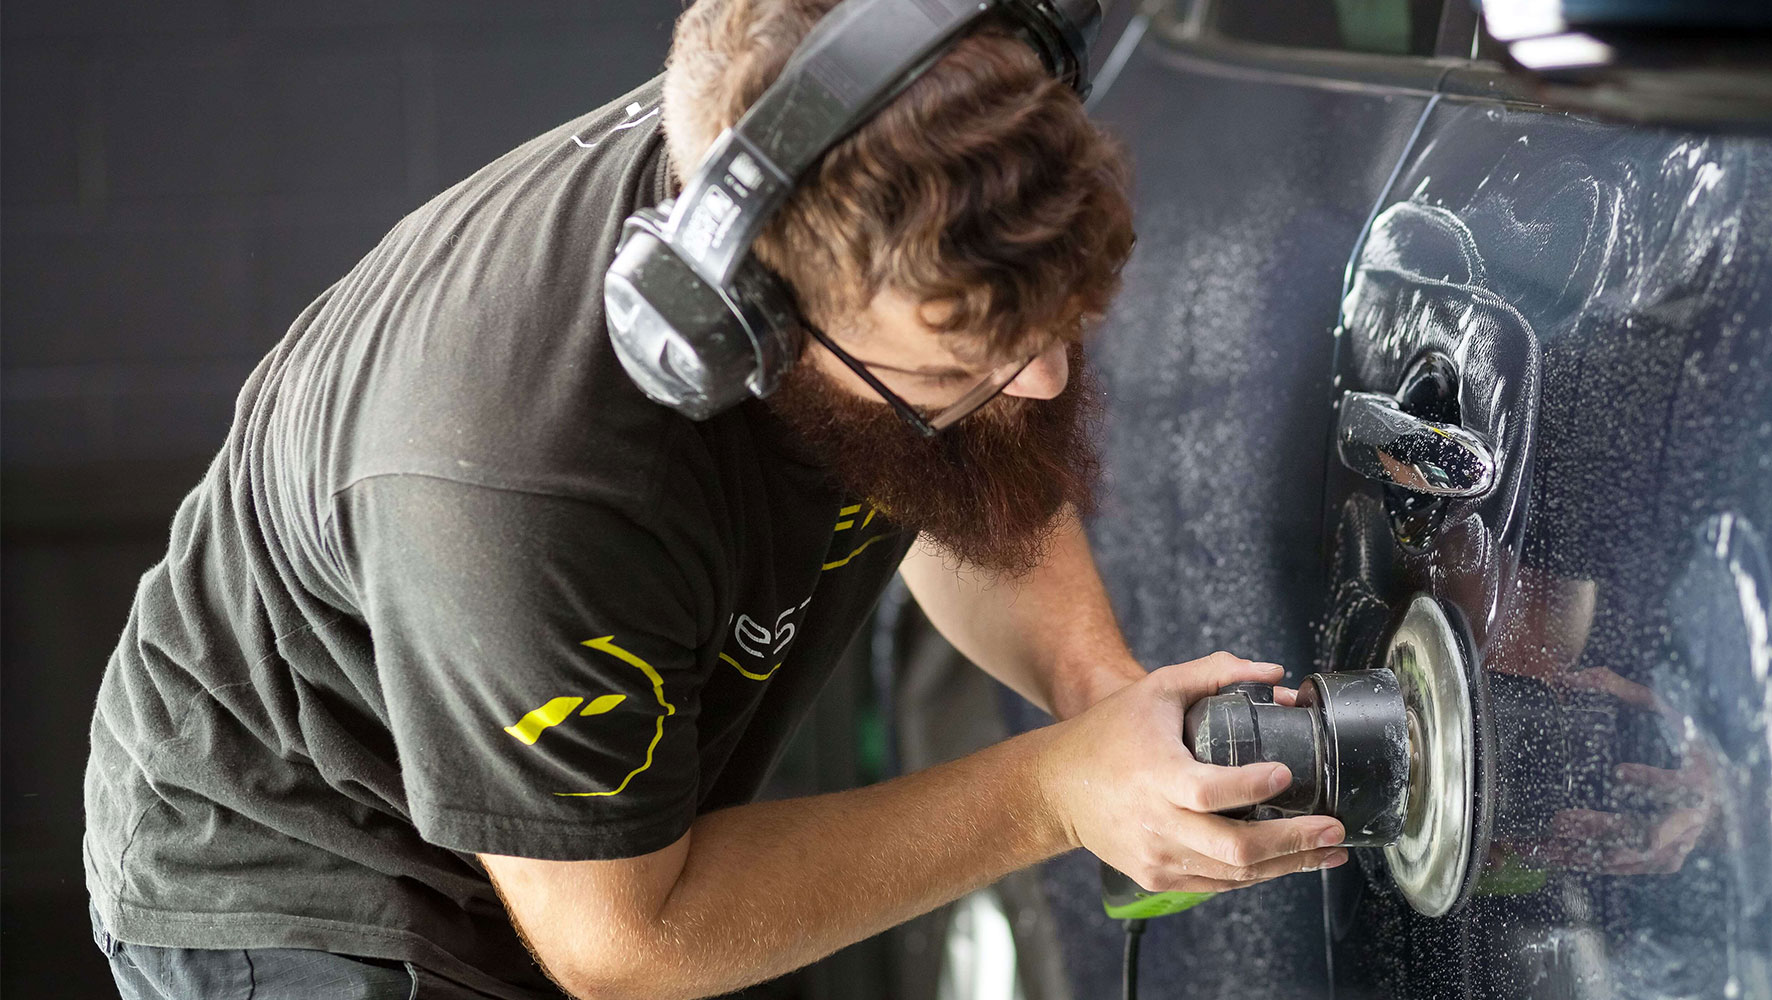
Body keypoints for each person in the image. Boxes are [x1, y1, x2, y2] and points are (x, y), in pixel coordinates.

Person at [81, 1, 1350, 997]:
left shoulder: (848, 127)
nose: (1043, 385)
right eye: (956, 369)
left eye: (1060, 329)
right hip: (315, 883)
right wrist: (1053, 790)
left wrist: (1100, 699)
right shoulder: (526, 473)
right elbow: (627, 941)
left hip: (579, 833)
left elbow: (968, 462)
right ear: (738, 332)